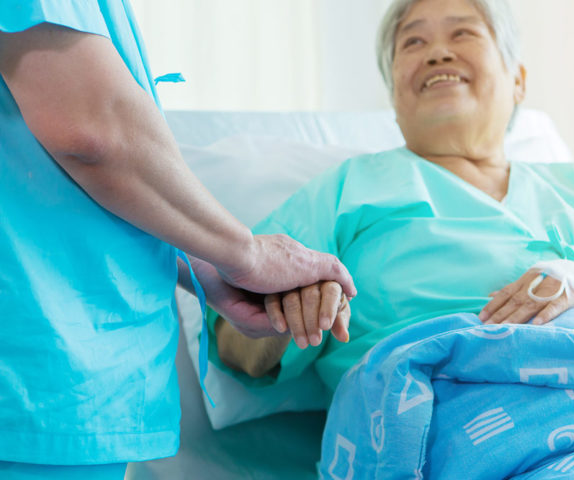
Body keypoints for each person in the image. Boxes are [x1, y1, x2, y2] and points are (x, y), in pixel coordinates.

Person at [211, 0, 574, 410]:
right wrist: (288, 310)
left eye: (463, 34)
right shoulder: (346, 191)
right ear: (394, 92)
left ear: (517, 79)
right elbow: (238, 351)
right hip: (448, 426)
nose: (436, 54)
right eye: (413, 42)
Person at [0, 1, 355, 477]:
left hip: (61, 388)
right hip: (40, 381)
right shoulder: (345, 190)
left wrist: (206, 265)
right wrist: (245, 254)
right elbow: (94, 131)